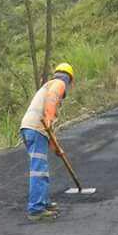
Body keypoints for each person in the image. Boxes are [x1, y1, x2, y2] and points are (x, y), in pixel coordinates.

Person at [19, 62, 74, 221]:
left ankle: (43, 202)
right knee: (39, 169)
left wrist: (56, 148)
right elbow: (50, 105)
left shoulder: (49, 85)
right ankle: (36, 209)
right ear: (69, 79)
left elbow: (48, 129)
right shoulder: (59, 83)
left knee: (41, 168)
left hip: (33, 129)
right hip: (35, 128)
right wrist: (49, 118)